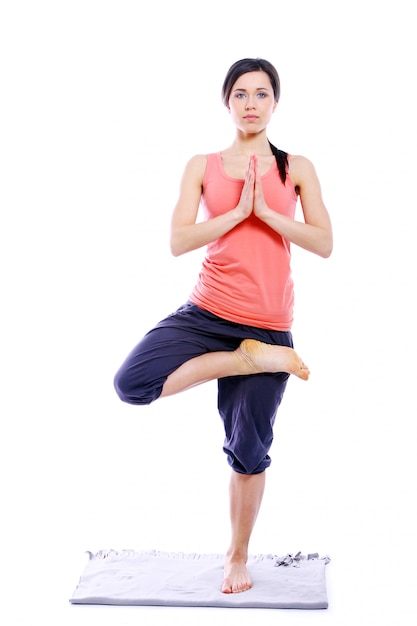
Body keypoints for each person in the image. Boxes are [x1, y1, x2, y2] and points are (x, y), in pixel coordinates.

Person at [114, 57, 333, 594]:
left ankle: (238, 557)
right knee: (131, 383)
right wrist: (235, 214)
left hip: (269, 321)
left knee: (249, 449)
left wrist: (266, 213)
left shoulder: (296, 166)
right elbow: (178, 241)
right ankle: (244, 358)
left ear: (275, 102)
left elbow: (324, 243)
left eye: (261, 94)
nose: (251, 103)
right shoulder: (202, 164)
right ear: (227, 101)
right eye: (241, 94)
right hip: (206, 314)